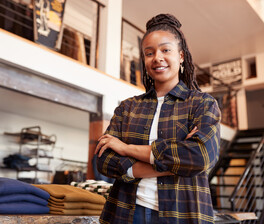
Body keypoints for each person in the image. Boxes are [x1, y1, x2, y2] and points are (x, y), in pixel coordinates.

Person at [95, 13, 221, 224]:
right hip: (125, 213)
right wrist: (177, 163)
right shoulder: (128, 107)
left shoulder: (202, 104)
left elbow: (200, 156)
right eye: (149, 53)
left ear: (181, 56)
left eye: (165, 50)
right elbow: (104, 160)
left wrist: (125, 149)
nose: (157, 58)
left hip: (182, 215)